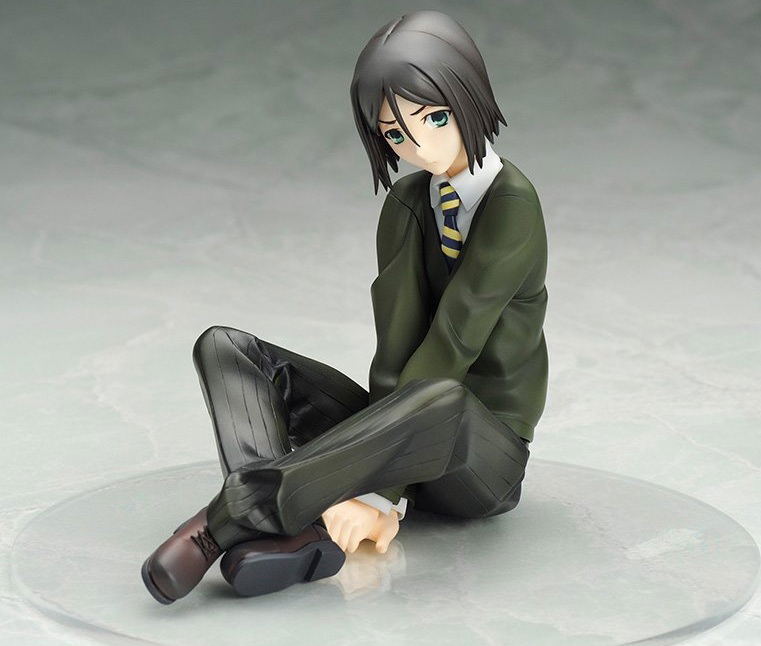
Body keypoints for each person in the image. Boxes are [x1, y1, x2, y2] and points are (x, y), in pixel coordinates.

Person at [141, 9, 548, 604]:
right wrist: (378, 460)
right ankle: (290, 534)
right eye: (396, 134)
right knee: (228, 349)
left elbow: (453, 342)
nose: (419, 145)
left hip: (479, 458)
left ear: (470, 96)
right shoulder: (408, 202)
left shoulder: (512, 204)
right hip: (401, 423)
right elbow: (395, 348)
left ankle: (226, 520)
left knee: (441, 396)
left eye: (435, 117)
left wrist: (381, 495)